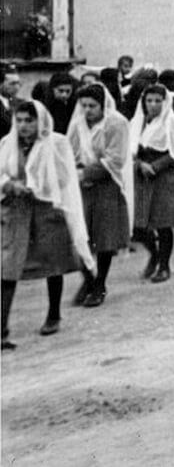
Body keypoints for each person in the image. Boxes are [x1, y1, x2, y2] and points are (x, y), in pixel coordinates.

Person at [1, 101, 93, 349]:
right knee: (7, 267)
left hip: (47, 211)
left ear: (40, 120)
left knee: (52, 264)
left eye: (29, 121)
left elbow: (65, 178)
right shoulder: (7, 143)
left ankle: (53, 314)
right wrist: (10, 185)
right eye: (19, 120)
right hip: (16, 213)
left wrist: (38, 184)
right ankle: (2, 328)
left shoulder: (57, 143)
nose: (23, 126)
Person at [65, 84, 133, 308]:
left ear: (103, 104)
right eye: (83, 105)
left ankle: (100, 284)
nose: (87, 110)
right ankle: (89, 279)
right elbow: (70, 152)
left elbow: (115, 159)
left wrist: (85, 172)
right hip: (81, 186)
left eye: (92, 106)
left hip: (107, 184)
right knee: (80, 234)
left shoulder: (117, 123)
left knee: (104, 237)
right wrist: (75, 172)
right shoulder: (77, 124)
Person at [128, 84, 174, 283]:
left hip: (164, 174)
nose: (153, 105)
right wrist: (139, 164)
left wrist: (155, 166)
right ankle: (154, 254)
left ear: (165, 102)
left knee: (162, 224)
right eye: (149, 101)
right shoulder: (137, 122)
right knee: (139, 226)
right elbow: (129, 150)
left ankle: (163, 265)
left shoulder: (173, 121)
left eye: (158, 101)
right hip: (141, 174)